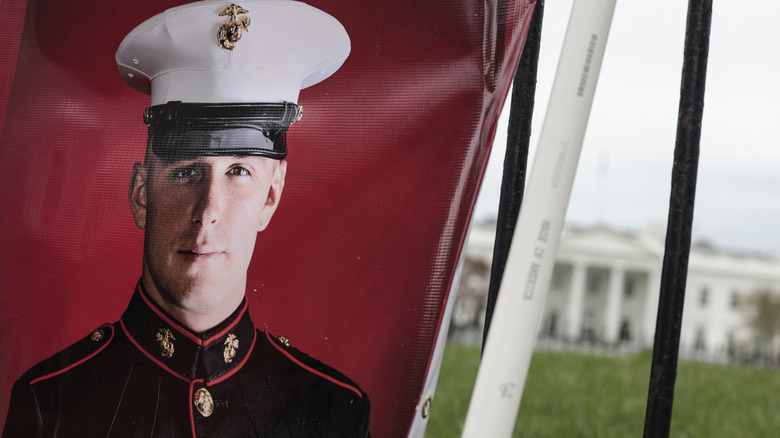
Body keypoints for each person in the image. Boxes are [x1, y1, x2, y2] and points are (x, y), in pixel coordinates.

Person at [2, 1, 370, 436]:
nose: (208, 211)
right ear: (142, 195)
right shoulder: (54, 404)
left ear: (271, 194)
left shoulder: (332, 411)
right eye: (187, 171)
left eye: (238, 171)